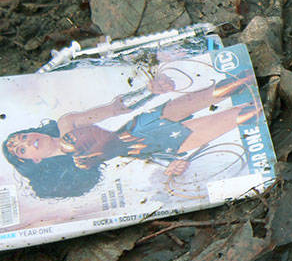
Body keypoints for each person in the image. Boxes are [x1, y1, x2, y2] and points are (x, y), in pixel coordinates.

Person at [2, 74, 257, 199]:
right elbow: (124, 165)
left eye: (21, 137)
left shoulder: (66, 123)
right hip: (149, 147)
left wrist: (148, 90)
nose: (25, 141)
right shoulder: (75, 170)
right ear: (33, 162)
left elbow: (114, 109)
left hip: (138, 126)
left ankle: (263, 73)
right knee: (240, 116)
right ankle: (267, 101)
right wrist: (167, 167)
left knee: (223, 88)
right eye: (20, 150)